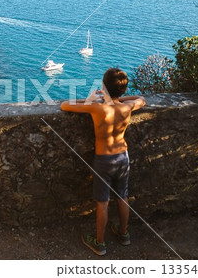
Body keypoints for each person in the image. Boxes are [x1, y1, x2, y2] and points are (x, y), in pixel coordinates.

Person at [60, 68, 146, 256]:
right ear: (123, 90)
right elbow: (141, 99)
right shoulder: (127, 107)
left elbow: (65, 105)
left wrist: (93, 99)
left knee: (103, 203)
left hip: (104, 160)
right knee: (122, 196)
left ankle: (100, 243)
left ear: (104, 86)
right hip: (123, 156)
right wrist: (117, 98)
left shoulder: (97, 108)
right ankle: (124, 234)